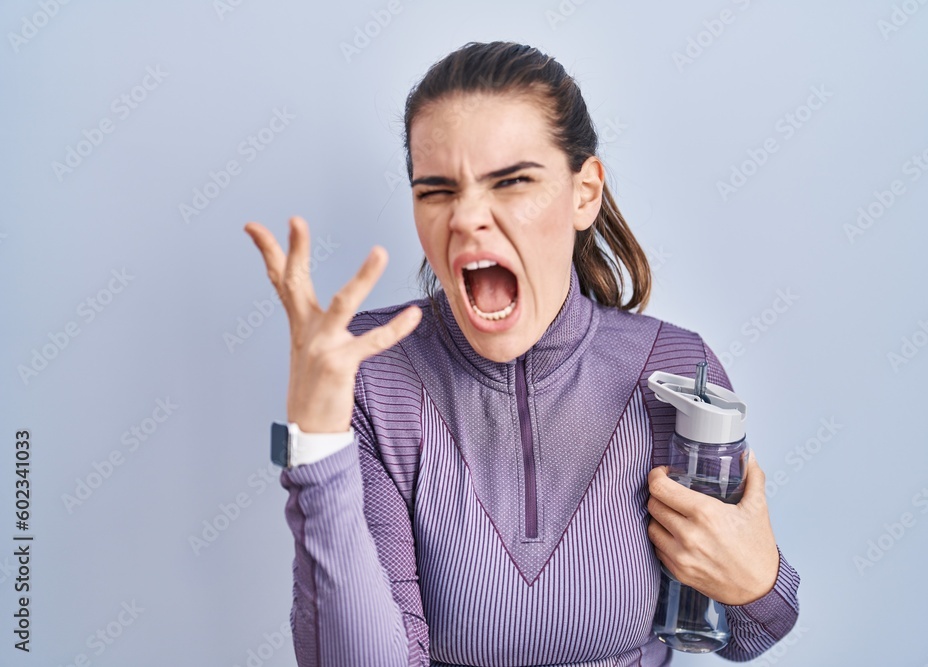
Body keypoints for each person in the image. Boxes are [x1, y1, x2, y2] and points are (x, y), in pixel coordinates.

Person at [245, 41, 799, 667]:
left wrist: (759, 581)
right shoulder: (372, 375)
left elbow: (747, 636)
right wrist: (316, 448)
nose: (466, 218)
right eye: (436, 190)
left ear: (584, 192)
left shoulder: (673, 372)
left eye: (511, 181)